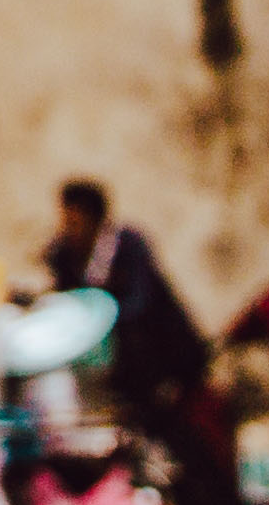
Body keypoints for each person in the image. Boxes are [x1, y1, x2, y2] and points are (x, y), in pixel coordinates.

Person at [47, 175, 209, 427]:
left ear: (94, 220)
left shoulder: (129, 246)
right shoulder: (63, 255)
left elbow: (139, 305)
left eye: (74, 221)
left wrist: (96, 322)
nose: (68, 229)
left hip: (166, 363)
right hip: (120, 374)